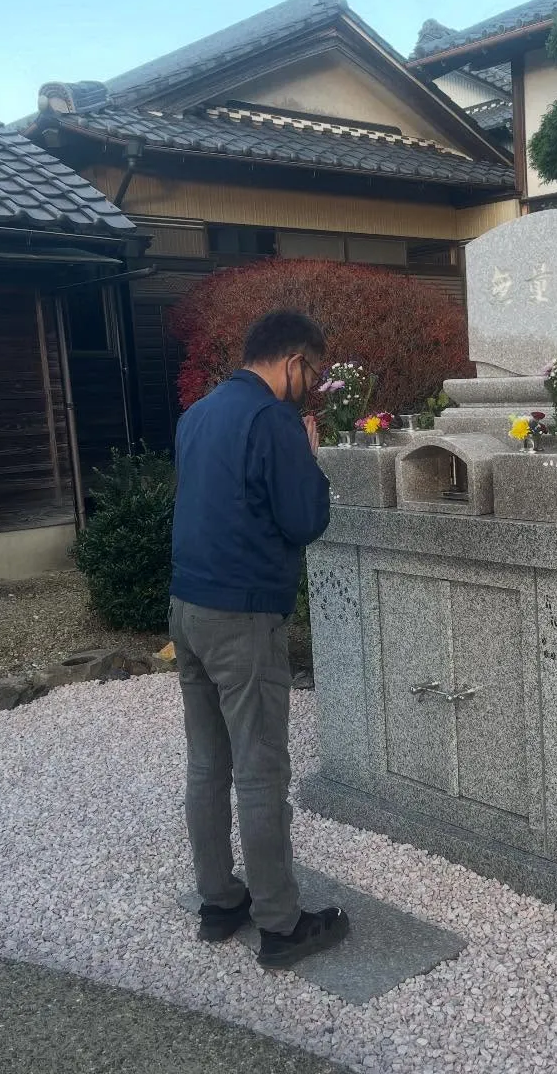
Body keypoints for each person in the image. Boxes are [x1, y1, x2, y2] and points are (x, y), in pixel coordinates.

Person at [168, 309, 348, 968]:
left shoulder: (198, 413)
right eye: (313, 372)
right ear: (294, 361)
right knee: (260, 768)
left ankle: (220, 901)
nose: (311, 384)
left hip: (187, 607)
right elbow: (304, 520)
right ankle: (280, 923)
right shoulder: (273, 420)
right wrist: (309, 460)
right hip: (242, 617)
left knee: (207, 762)